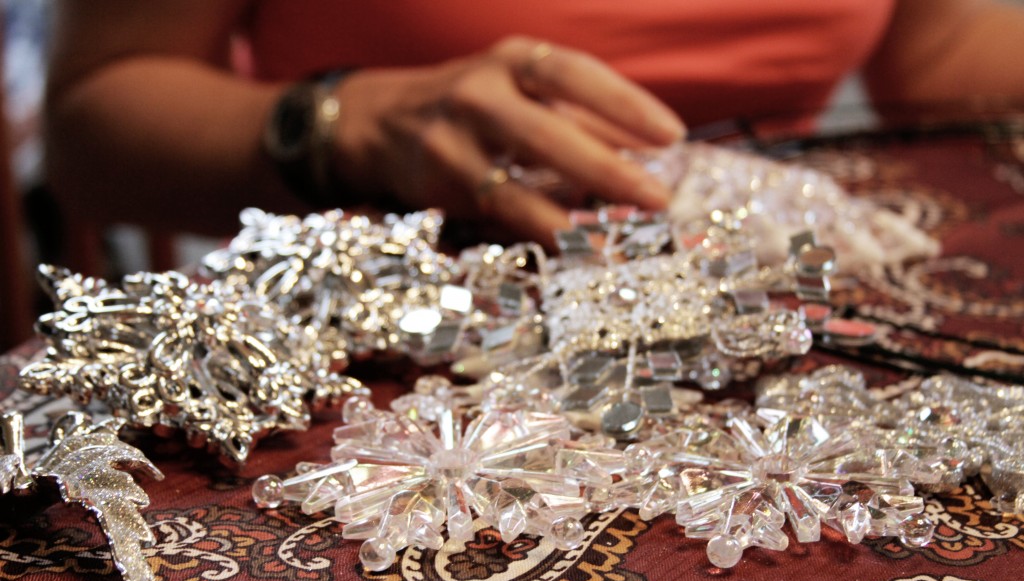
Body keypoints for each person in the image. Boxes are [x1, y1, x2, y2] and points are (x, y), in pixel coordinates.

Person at [43, 0, 1024, 250]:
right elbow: (92, 132)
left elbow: (934, 57)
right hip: (391, 332)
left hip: (779, 312)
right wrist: (347, 125)